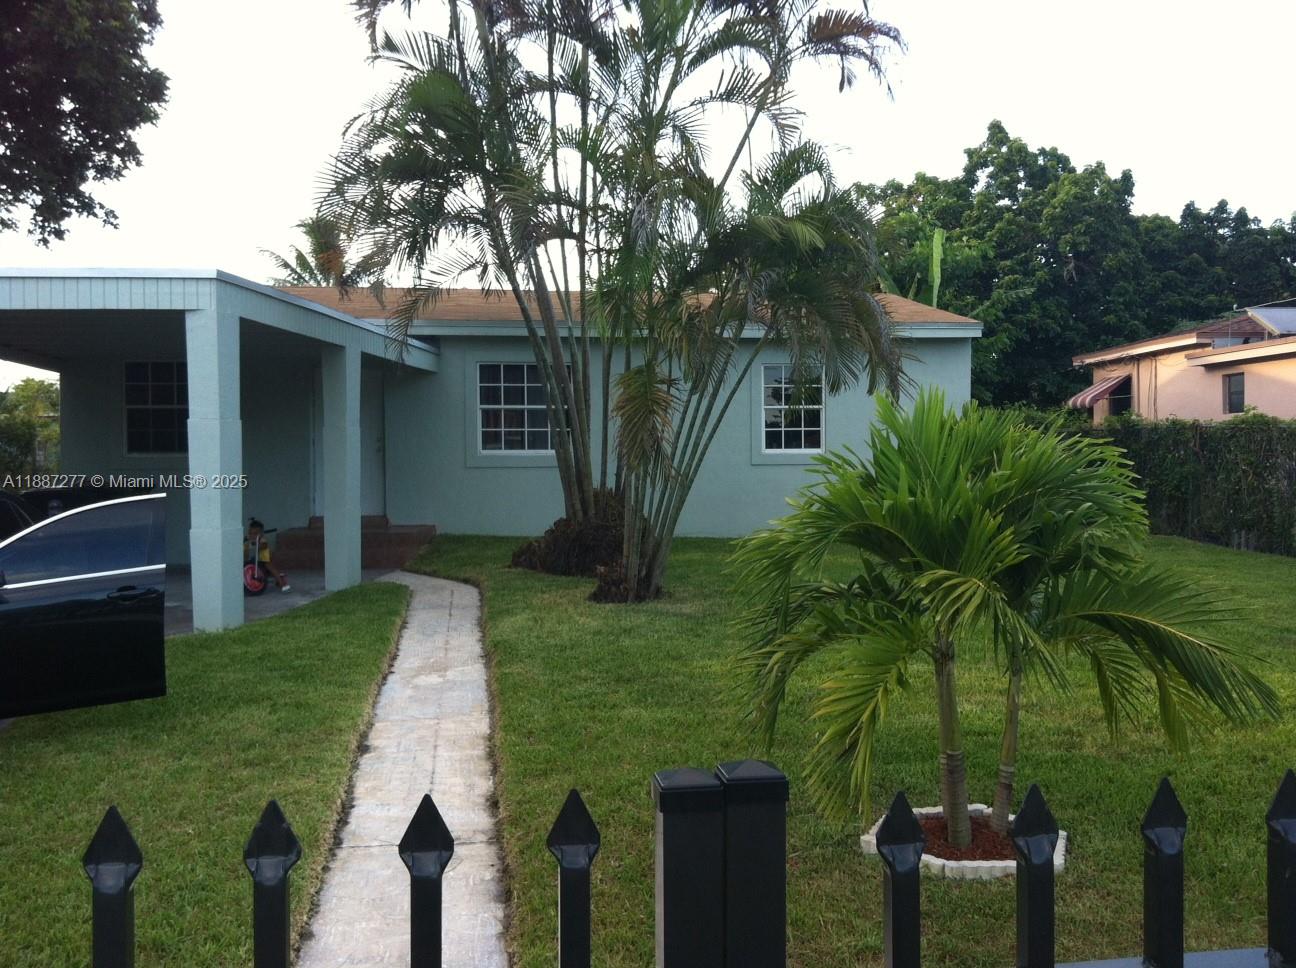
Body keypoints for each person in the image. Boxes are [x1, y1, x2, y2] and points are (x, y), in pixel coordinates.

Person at [244, 518, 290, 591]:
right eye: (250, 533)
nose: (252, 536)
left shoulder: (262, 540)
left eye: (255, 534)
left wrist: (256, 545)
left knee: (269, 566)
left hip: (264, 559)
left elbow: (264, 545)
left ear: (261, 534)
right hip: (254, 560)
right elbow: (245, 551)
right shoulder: (248, 542)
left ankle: (281, 582)